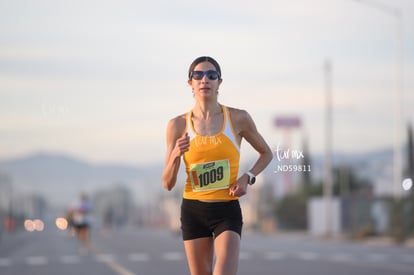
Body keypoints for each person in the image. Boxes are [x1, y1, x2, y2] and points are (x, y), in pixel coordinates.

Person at [162, 56, 273, 275]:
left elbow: (266, 153)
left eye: (211, 75)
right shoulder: (177, 125)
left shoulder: (238, 118)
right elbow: (167, 183)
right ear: (190, 83)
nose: (205, 80)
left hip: (226, 209)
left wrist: (247, 177)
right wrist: (175, 153)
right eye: (198, 75)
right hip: (193, 209)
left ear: (219, 82)